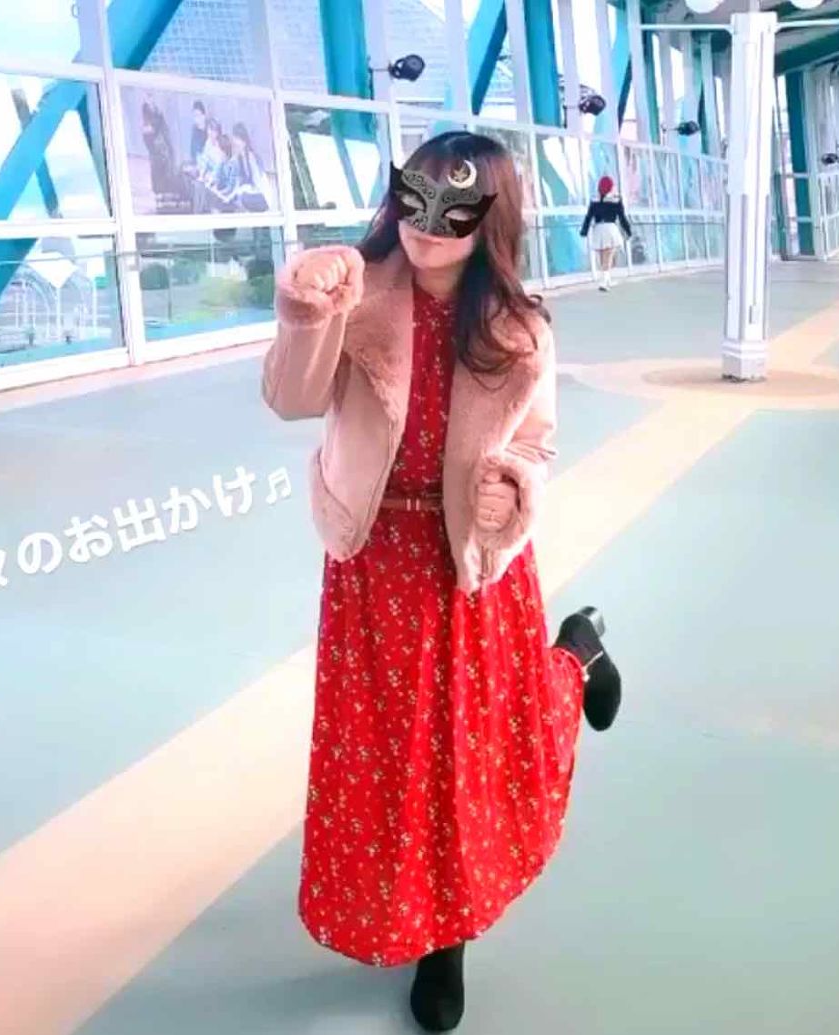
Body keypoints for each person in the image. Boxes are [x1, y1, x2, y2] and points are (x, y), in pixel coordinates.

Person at [261, 132, 622, 1033]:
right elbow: (291, 399)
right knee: (385, 755)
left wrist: (516, 484)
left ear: (488, 221)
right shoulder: (353, 290)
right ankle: (579, 652)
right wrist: (307, 311)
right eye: (413, 198)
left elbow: (536, 439)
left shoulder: (519, 326)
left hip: (472, 560)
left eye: (455, 209)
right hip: (372, 559)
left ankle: (447, 937)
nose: (428, 225)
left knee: (472, 752)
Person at [580, 175, 632, 292]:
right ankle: (604, 282)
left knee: (603, 257)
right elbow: (622, 218)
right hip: (610, 229)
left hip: (598, 229)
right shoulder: (616, 200)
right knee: (608, 257)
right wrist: (628, 230)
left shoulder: (594, 200)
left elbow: (589, 217)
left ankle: (607, 280)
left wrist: (584, 230)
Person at [229, 122, 272, 213]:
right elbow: (236, 182)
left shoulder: (251, 158)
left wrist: (245, 189)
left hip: (260, 196)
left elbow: (258, 184)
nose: (235, 144)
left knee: (242, 198)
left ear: (244, 142)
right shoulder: (238, 159)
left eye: (238, 140)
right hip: (248, 193)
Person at [189, 100, 208, 165]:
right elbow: (193, 152)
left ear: (204, 115)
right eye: (194, 116)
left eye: (198, 115)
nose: (196, 118)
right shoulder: (194, 130)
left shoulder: (210, 130)